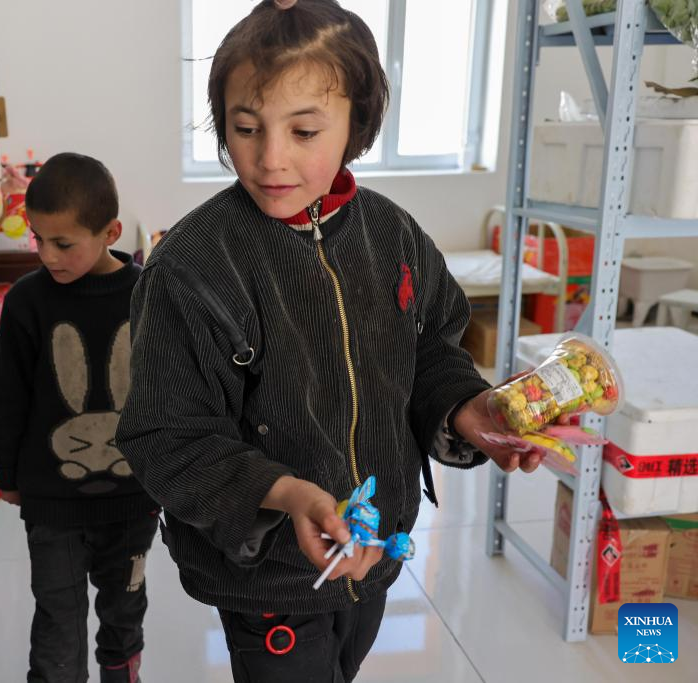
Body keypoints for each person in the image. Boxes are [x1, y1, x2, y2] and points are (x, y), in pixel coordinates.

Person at [115, 1, 539, 680]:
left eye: (305, 130)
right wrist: (287, 493)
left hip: (373, 554)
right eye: (245, 128)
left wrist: (466, 407)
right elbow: (167, 436)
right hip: (269, 578)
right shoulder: (191, 268)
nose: (270, 158)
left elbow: (431, 350)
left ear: (356, 125)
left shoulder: (392, 235)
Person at [0, 152, 157, 683]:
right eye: (38, 239)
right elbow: (6, 396)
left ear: (110, 233)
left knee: (124, 611)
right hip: (51, 501)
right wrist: (8, 475)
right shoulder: (26, 301)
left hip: (133, 498)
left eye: (63, 243)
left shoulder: (148, 295)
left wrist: (170, 472)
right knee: (57, 620)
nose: (47, 255)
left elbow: (169, 393)